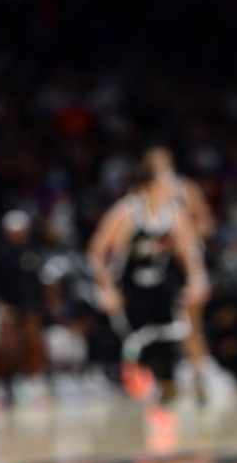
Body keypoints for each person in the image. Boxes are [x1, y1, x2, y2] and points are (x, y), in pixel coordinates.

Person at [87, 156, 210, 432]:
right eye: (167, 177)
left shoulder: (174, 212)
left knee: (170, 346)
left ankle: (169, 403)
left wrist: (198, 279)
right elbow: (96, 251)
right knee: (140, 350)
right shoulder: (127, 212)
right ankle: (146, 407)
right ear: (151, 183)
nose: (174, 183)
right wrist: (105, 289)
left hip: (162, 288)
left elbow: (190, 252)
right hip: (131, 292)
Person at [143, 146, 235, 406]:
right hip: (157, 265)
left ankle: (200, 371)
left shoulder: (186, 189)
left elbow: (208, 225)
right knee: (162, 323)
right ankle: (172, 373)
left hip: (186, 261)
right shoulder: (144, 196)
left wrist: (182, 235)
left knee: (189, 319)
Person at [0, 210, 48, 408]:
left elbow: (40, 283)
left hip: (31, 308)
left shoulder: (35, 251)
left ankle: (36, 383)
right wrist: (1, 306)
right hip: (7, 308)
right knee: (5, 347)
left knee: (34, 343)